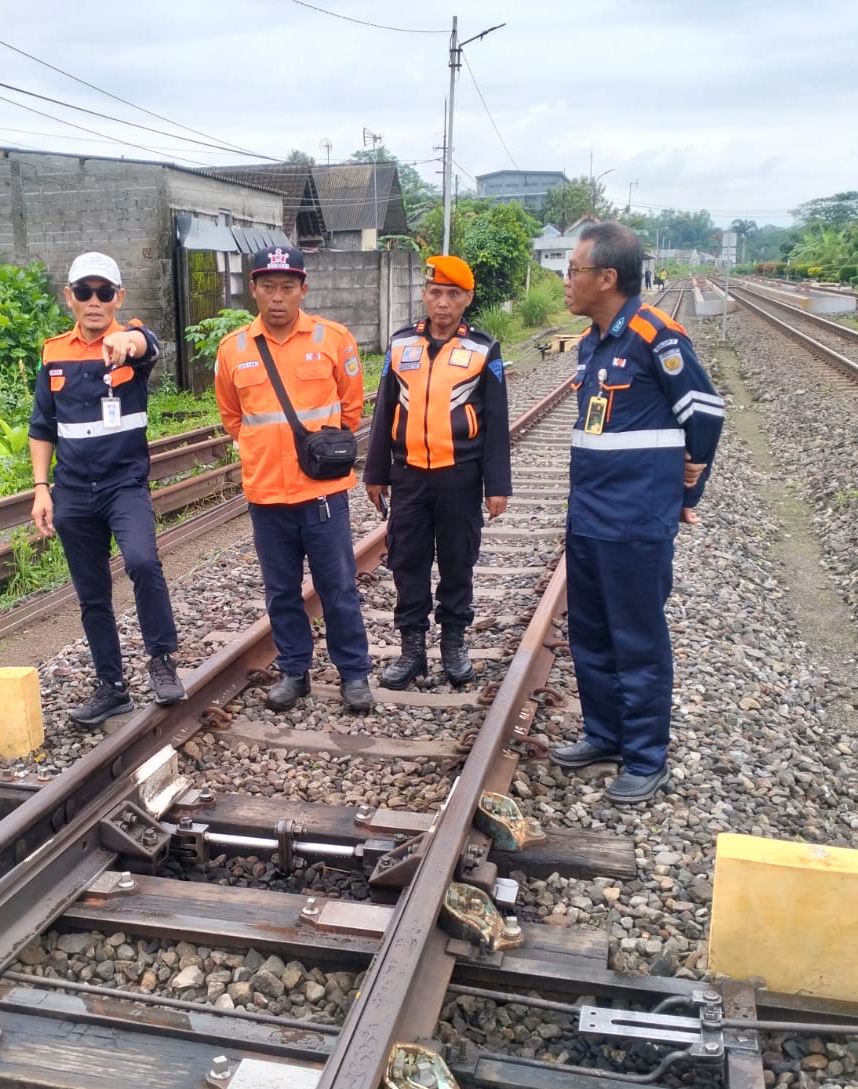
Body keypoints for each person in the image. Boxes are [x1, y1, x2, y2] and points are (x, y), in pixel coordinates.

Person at [551, 221, 723, 803]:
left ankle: (647, 756)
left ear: (607, 277)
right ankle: (604, 735)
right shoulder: (592, 342)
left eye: (573, 270)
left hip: (634, 520)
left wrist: (687, 492)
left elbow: (705, 413)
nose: (566, 281)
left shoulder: (656, 337)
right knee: (591, 634)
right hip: (589, 516)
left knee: (638, 640)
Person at [214, 245, 374, 713]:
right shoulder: (233, 349)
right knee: (281, 591)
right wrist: (267, 452)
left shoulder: (333, 339)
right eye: (268, 286)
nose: (278, 297)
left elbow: (351, 408)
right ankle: (293, 671)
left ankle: (354, 674)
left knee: (337, 588)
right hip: (266, 494)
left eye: (287, 286)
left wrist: (322, 453)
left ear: (303, 289)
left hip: (322, 493)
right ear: (254, 290)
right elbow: (232, 417)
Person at [29, 251, 185, 727]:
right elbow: (42, 427)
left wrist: (125, 341)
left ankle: (162, 660)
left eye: (103, 292)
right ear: (69, 298)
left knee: (142, 562)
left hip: (124, 485)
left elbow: (147, 343)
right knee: (91, 591)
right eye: (85, 292)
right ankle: (111, 686)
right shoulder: (53, 353)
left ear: (119, 297)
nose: (94, 301)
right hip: (73, 491)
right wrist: (41, 488)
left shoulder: (133, 342)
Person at [363, 254, 511, 689]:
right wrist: (375, 473)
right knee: (407, 560)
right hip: (408, 475)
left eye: (452, 294)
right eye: (435, 292)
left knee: (456, 560)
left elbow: (496, 420)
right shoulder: (400, 345)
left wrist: (497, 485)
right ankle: (412, 650)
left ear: (467, 299)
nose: (442, 302)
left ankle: (453, 643)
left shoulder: (482, 349)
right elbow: (384, 409)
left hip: (460, 477)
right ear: (425, 295)